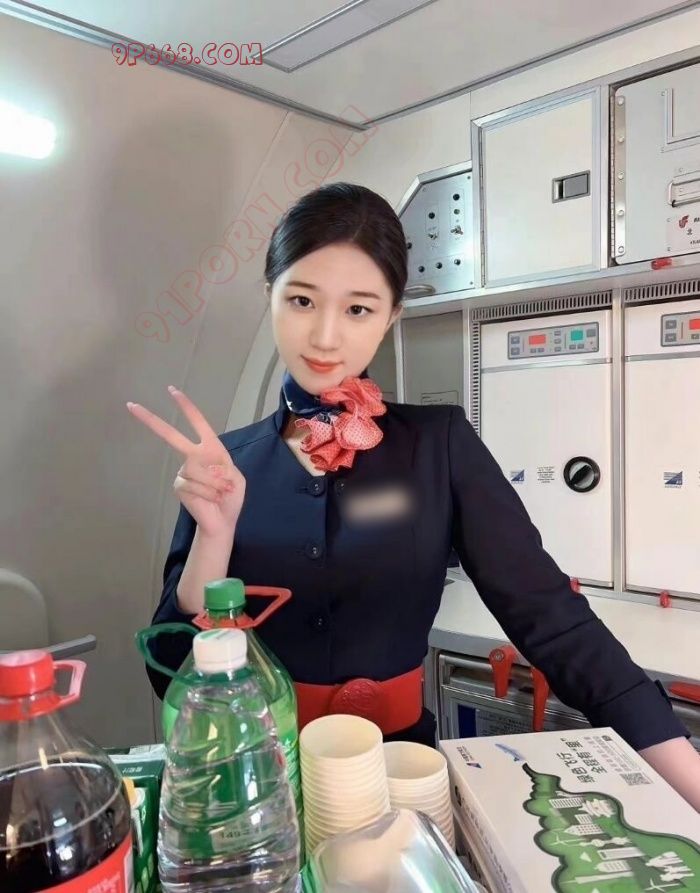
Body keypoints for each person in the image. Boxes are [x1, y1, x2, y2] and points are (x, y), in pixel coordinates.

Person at [127, 182, 700, 811]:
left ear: (391, 316)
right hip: (258, 780)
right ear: (270, 296)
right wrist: (213, 539)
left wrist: (687, 777)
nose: (325, 336)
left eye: (358, 309)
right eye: (302, 300)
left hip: (399, 774)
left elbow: (551, 619)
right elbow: (168, 672)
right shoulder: (224, 465)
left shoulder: (440, 445)